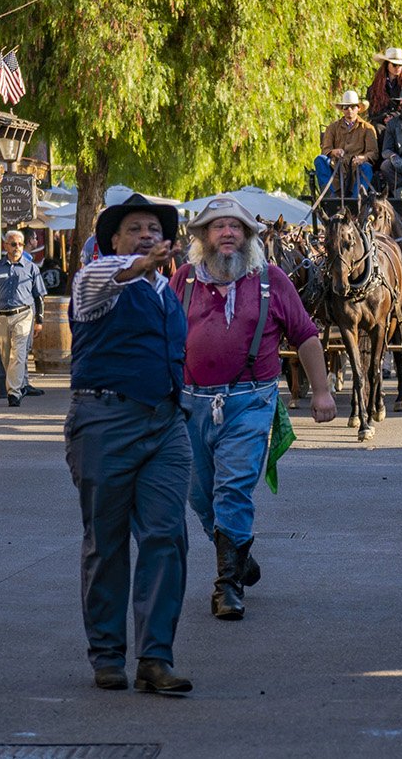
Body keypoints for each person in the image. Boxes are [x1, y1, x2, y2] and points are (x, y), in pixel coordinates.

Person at [169, 197, 335, 621]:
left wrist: (321, 392)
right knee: (198, 496)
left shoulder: (272, 280)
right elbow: (161, 340)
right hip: (191, 405)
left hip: (250, 402)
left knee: (233, 489)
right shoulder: (183, 281)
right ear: (203, 236)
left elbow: (307, 336)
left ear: (249, 236)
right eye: (218, 226)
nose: (227, 232)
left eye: (236, 227)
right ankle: (239, 555)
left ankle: (227, 586)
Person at [65, 192, 195, 694]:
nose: (148, 235)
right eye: (136, 228)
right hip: (104, 420)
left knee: (167, 536)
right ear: (113, 241)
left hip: (165, 424)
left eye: (155, 230)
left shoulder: (166, 291)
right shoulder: (94, 282)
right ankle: (106, 654)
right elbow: (108, 277)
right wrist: (137, 264)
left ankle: (155, 657)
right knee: (107, 542)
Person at [0, 228, 46, 407]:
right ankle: (20, 385)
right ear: (6, 246)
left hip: (23, 314)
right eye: (13, 244)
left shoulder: (31, 268)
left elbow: (39, 296)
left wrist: (39, 320)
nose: (17, 247)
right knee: (6, 355)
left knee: (18, 353)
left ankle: (14, 393)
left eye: (20, 244)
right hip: (0, 317)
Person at [316, 89, 378, 200]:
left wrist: (363, 158)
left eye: (353, 107)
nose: (349, 110)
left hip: (356, 168)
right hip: (337, 167)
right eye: (346, 107)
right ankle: (330, 194)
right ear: (342, 110)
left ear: (358, 109)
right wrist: (334, 151)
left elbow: (373, 153)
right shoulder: (332, 128)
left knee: (367, 168)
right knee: (320, 160)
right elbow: (325, 150)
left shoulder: (368, 129)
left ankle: (357, 198)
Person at [366, 47, 402, 128]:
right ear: (387, 65)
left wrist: (394, 116)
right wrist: (384, 118)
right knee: (376, 128)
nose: (397, 68)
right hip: (382, 124)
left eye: (400, 65)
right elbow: (372, 111)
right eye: (394, 65)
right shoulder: (375, 87)